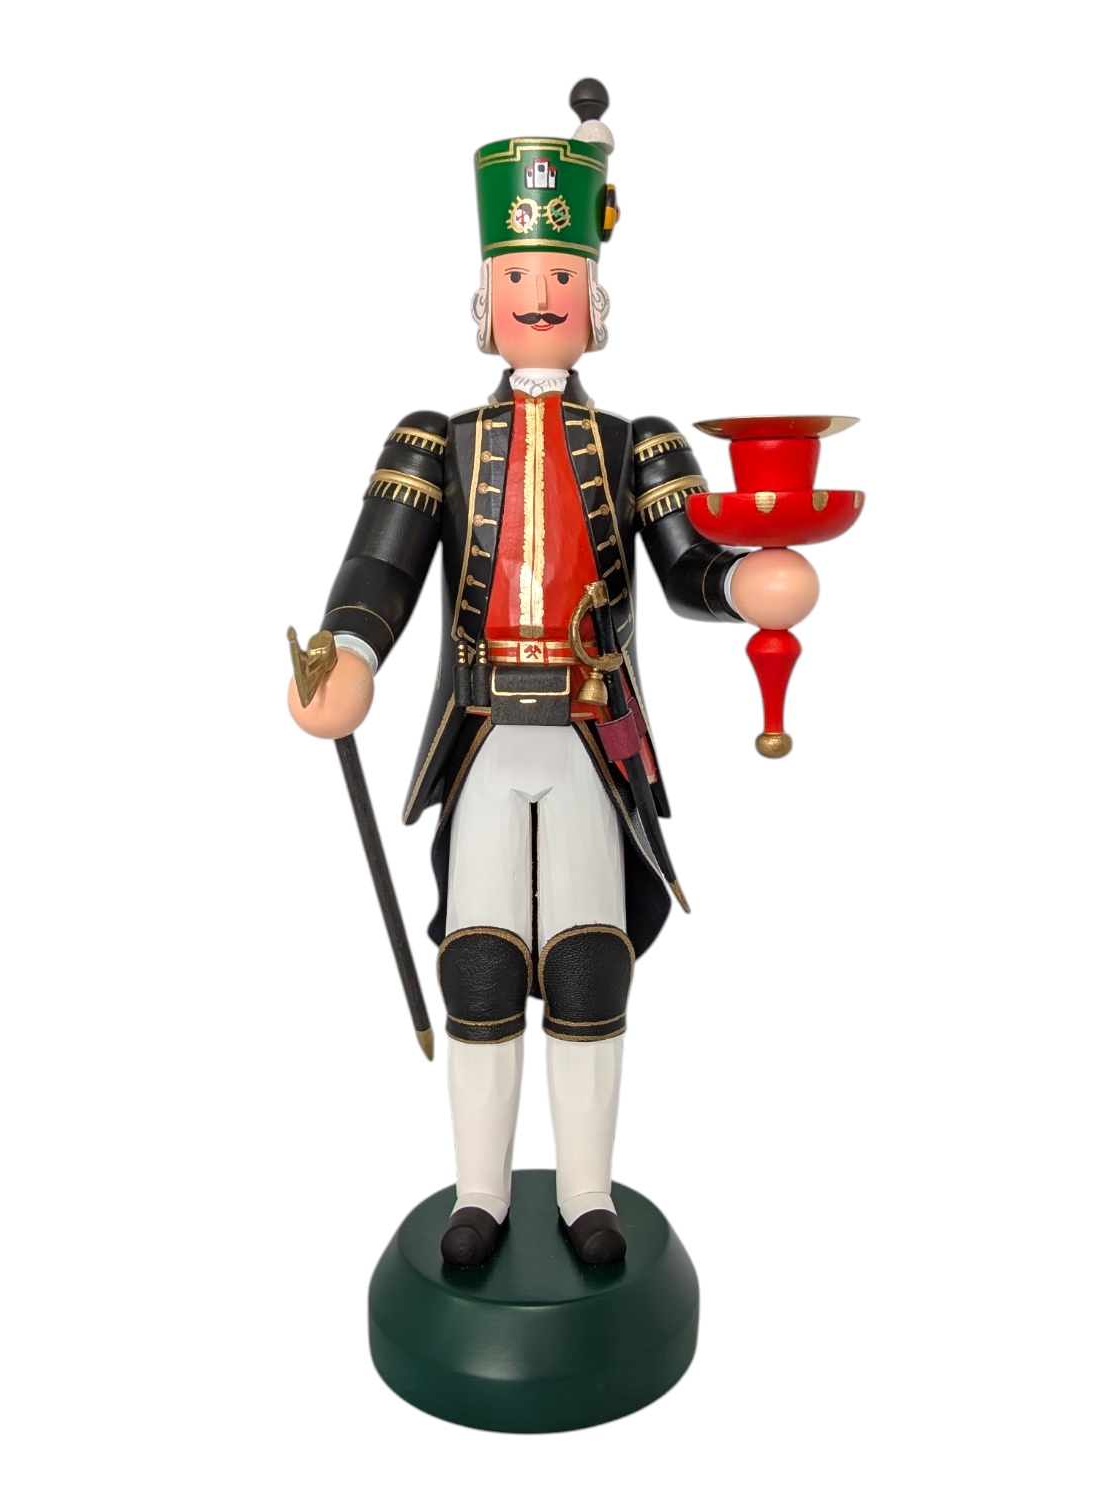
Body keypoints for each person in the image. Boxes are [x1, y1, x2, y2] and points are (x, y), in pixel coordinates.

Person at [288, 81, 816, 1266]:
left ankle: (587, 1194)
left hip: (589, 736)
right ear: (485, 301)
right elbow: (380, 569)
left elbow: (688, 566)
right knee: (479, 961)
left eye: (562, 276)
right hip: (482, 735)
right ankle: (478, 1193)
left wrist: (748, 583)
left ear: (596, 301)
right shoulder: (438, 440)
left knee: (586, 961)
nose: (541, 295)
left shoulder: (638, 445)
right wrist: (350, 655)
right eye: (521, 275)